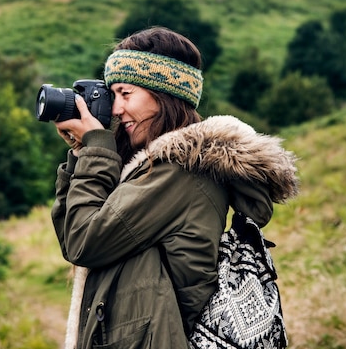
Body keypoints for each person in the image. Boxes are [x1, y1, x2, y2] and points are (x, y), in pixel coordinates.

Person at [51, 26, 298, 349]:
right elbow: (73, 234)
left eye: (126, 94)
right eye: (114, 96)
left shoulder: (180, 172)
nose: (115, 109)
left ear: (165, 95)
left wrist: (97, 148)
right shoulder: (149, 168)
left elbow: (85, 242)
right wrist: (83, 154)